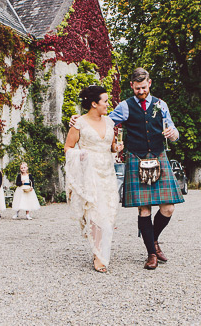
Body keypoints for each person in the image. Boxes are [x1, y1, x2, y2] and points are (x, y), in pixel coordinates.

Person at [72, 68, 184, 270]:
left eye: (144, 87)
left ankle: (154, 240)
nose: (141, 91)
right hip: (137, 158)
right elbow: (101, 122)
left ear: (149, 83)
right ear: (132, 85)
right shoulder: (125, 106)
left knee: (168, 208)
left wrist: (172, 133)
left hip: (159, 156)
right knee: (144, 209)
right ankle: (151, 253)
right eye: (137, 88)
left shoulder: (161, 105)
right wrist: (77, 121)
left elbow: (174, 131)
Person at [65, 85, 121, 273]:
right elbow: (68, 147)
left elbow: (111, 147)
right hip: (89, 173)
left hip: (107, 173)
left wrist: (117, 148)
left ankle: (102, 249)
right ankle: (99, 255)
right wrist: (80, 155)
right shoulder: (79, 123)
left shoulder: (110, 123)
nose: (108, 104)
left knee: (109, 212)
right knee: (95, 213)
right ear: (94, 103)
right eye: (105, 101)